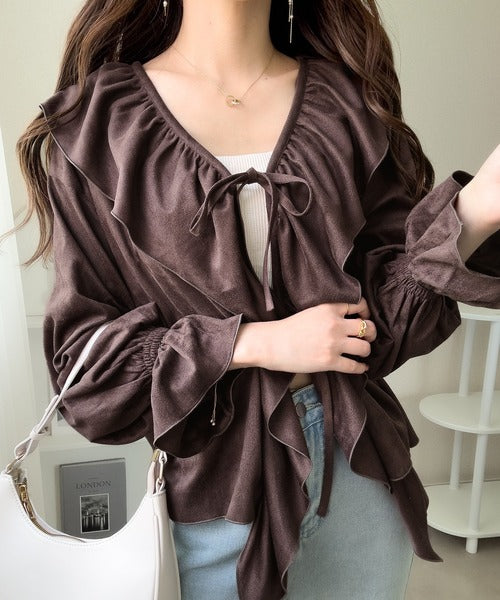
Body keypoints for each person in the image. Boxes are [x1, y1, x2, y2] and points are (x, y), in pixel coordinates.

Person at [2, 1, 499, 598]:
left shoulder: (349, 105)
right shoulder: (100, 122)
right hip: (218, 497)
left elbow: (384, 326)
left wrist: (476, 213)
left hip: (357, 476)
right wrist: (252, 343)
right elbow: (87, 370)